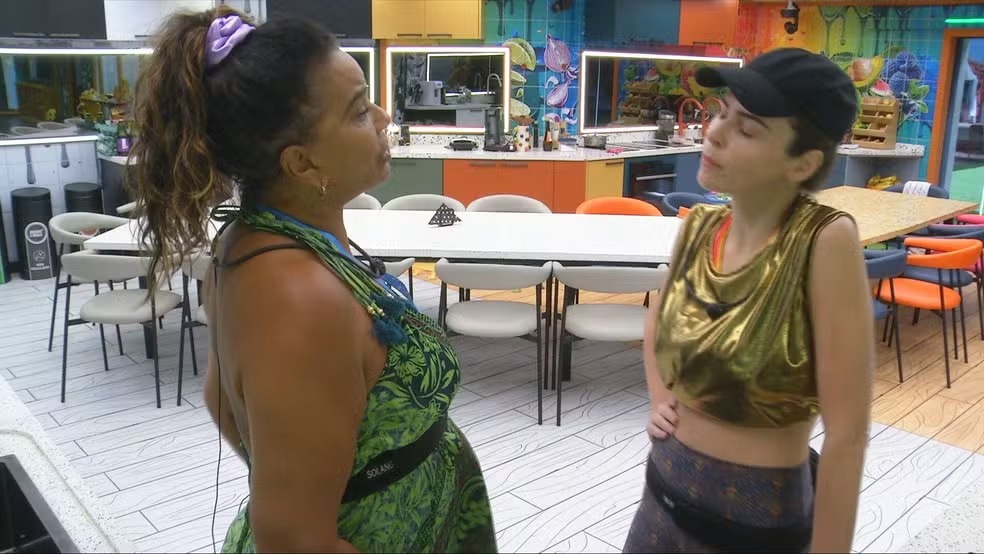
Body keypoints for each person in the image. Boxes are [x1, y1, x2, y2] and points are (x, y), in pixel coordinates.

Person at [129, 7, 497, 553]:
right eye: (358, 111)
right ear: (302, 164)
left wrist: (306, 467)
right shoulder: (302, 299)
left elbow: (221, 399)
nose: (383, 118)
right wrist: (343, 490)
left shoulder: (253, 238)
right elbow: (294, 541)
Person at [624, 48, 874, 553]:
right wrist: (659, 396)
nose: (714, 132)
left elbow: (847, 434)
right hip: (661, 494)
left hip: (756, 519)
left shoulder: (823, 240)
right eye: (721, 113)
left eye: (747, 129)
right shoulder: (698, 227)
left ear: (803, 162)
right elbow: (658, 319)